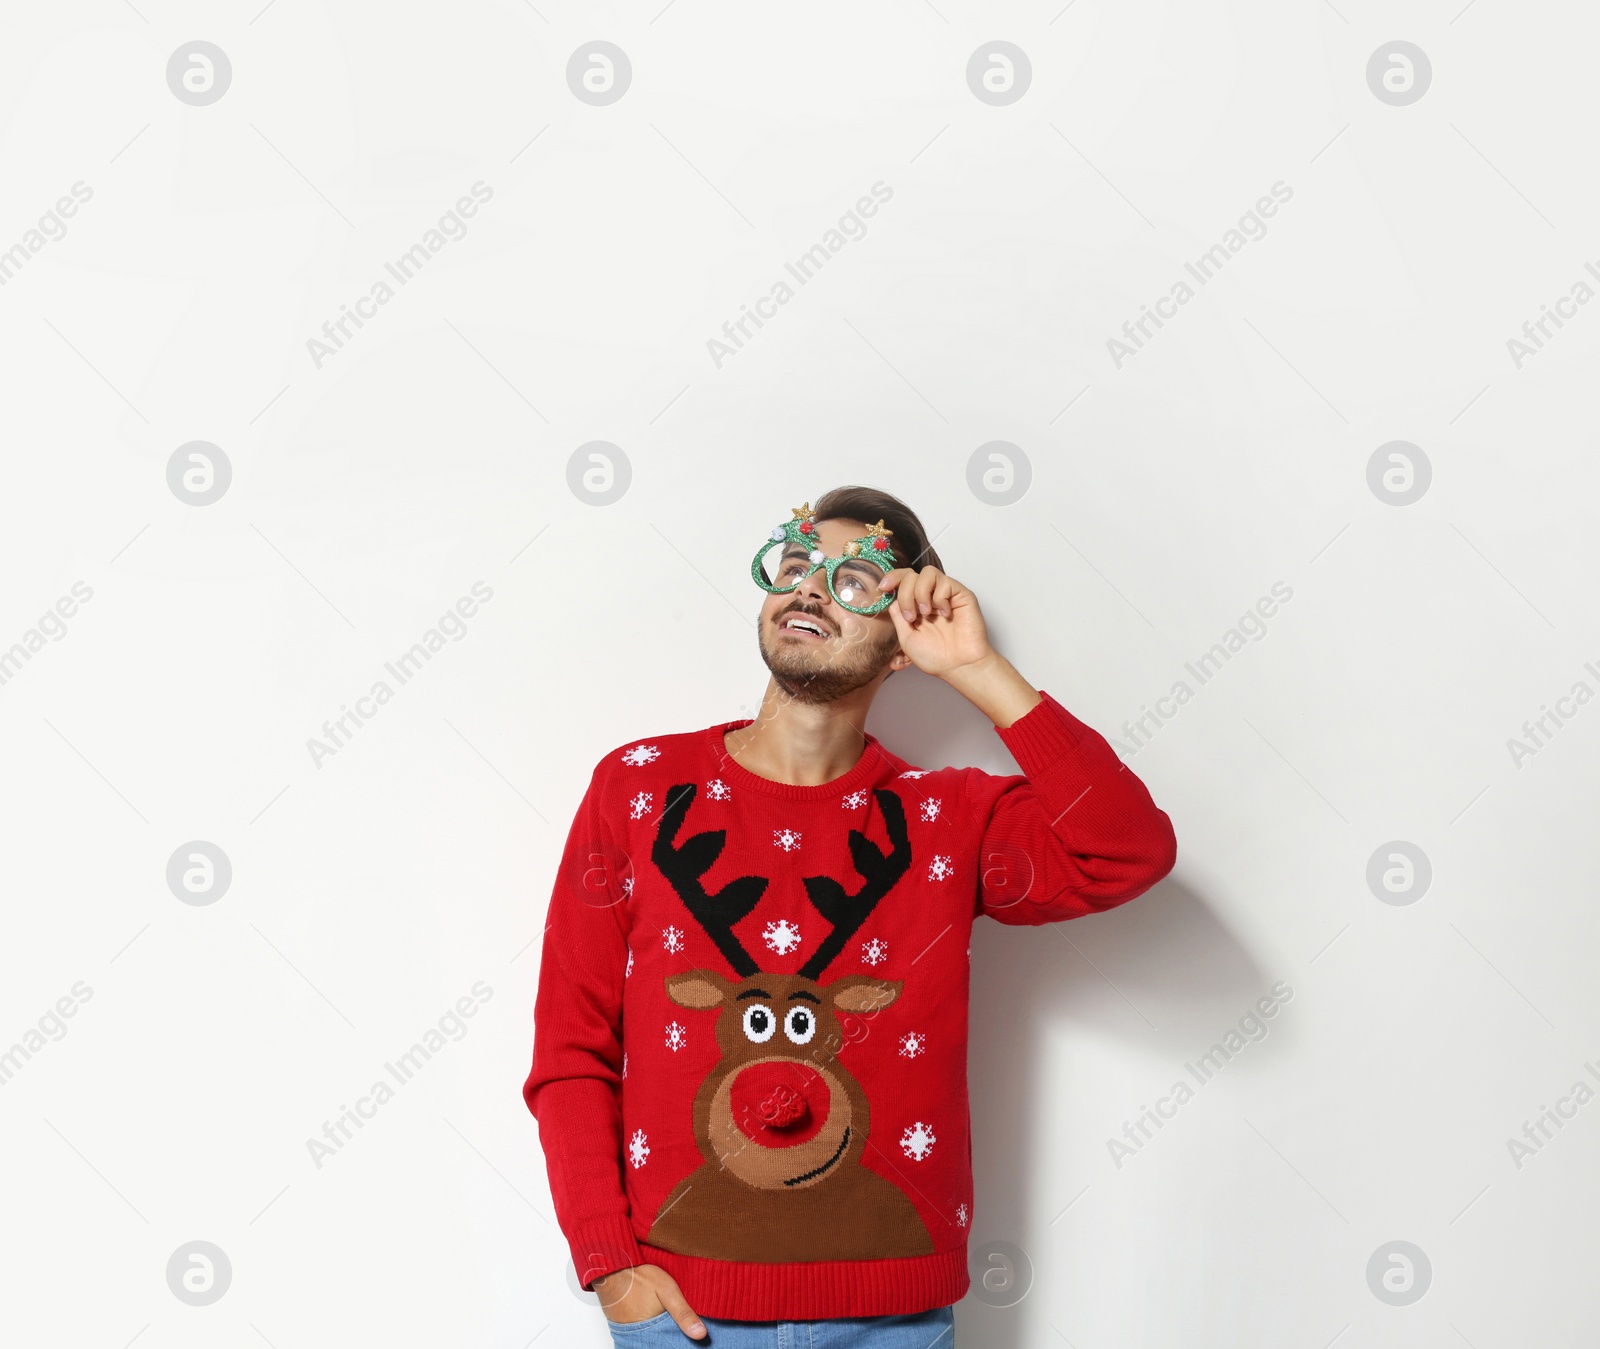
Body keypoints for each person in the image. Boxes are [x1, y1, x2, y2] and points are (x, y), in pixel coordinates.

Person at [523, 486, 1177, 1346]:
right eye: (796, 565)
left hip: (894, 1317)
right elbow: (572, 1050)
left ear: (904, 636)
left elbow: (1126, 849)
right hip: (679, 1311)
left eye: (855, 579)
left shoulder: (947, 818)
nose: (810, 587)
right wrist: (609, 1264)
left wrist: (981, 671)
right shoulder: (639, 789)